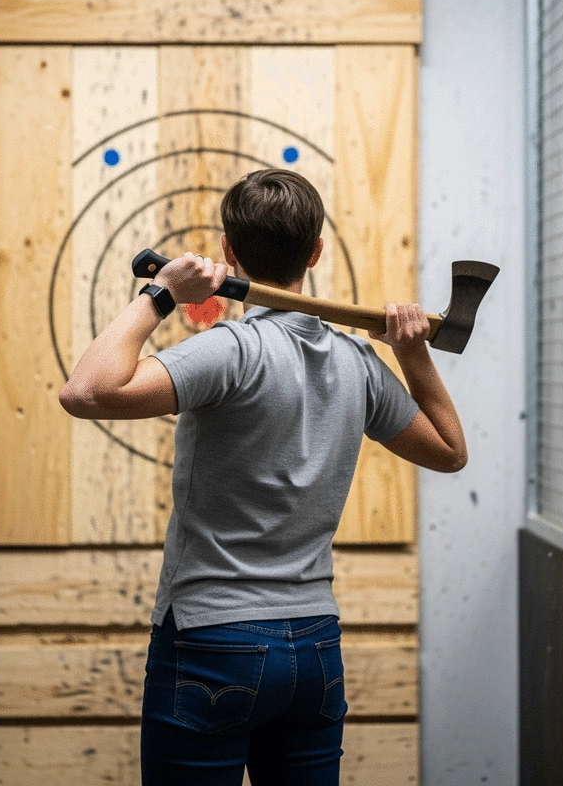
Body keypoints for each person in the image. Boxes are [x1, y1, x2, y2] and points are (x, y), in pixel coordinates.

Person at [59, 169, 467, 786]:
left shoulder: (230, 351)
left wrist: (161, 294)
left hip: (211, 640)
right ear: (316, 252)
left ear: (229, 250)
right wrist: (413, 354)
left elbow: (85, 391)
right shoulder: (359, 363)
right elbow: (450, 450)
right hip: (314, 648)